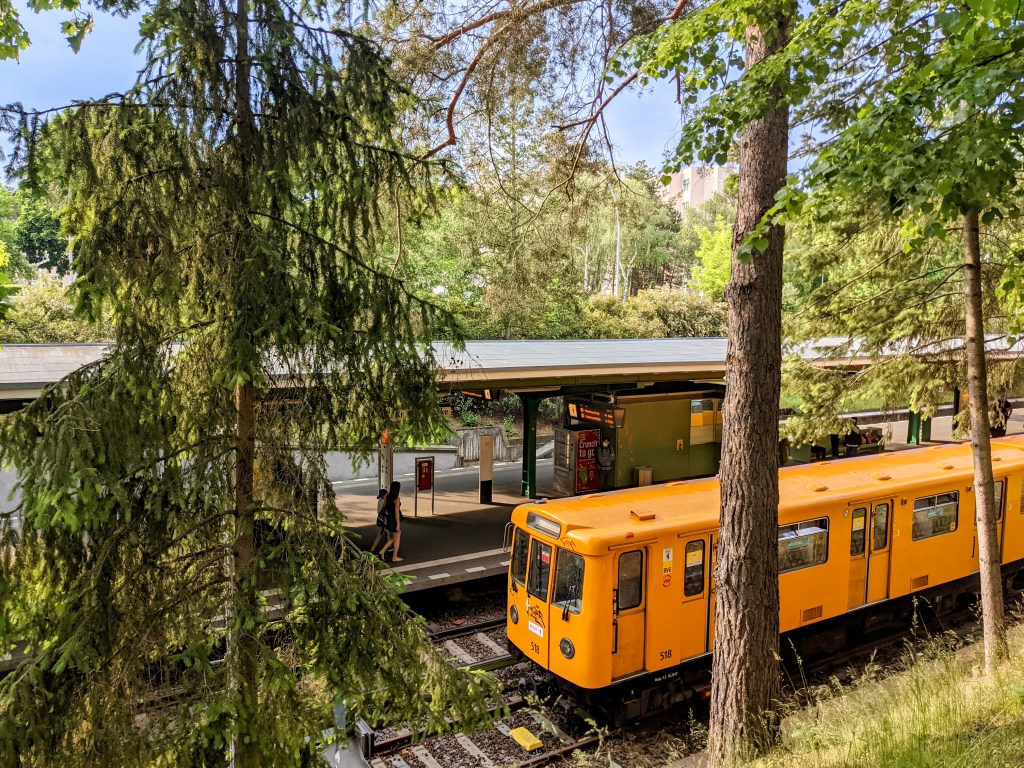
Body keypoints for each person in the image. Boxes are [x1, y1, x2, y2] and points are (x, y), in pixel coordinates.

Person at [377, 481, 404, 563]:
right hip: (394, 520)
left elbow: (384, 507)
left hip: (388, 519)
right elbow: (396, 512)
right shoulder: (397, 498)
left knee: (393, 538)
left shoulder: (387, 496)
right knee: (397, 539)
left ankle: (382, 551)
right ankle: (394, 557)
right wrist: (398, 524)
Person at [369, 488, 388, 553]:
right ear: (384, 495)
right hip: (382, 521)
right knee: (379, 535)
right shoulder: (383, 502)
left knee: (387, 533)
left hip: (380, 520)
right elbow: (384, 512)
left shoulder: (380, 501)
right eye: (386, 494)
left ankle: (389, 546)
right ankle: (372, 550)